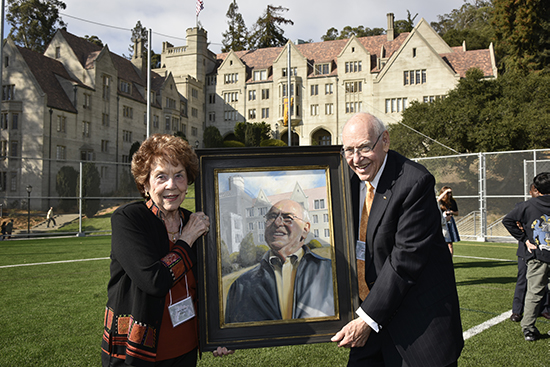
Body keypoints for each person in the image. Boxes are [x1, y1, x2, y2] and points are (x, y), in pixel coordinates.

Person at [331, 112, 463, 366]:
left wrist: (367, 319)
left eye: (364, 148)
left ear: (385, 141)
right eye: (348, 150)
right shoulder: (342, 180)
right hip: (369, 320)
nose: (356, 159)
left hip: (416, 327)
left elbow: (405, 261)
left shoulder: (414, 182)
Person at [101, 134, 231, 366]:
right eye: (161, 177)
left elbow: (210, 286)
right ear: (145, 183)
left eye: (179, 175)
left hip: (186, 349)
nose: (171, 185)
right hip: (136, 354)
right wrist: (187, 238)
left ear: (188, 181)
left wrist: (217, 334)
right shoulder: (129, 219)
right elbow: (155, 280)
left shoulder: (195, 221)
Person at [225, 199, 334, 323]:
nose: (277, 223)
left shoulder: (331, 273)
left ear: (305, 228)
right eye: (271, 217)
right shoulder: (241, 285)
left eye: (287, 217)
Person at [503, 172, 550, 341]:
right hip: (540, 254)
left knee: (534, 292)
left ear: (536, 189)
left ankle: (528, 329)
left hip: (538, 255)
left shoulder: (527, 205)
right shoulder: (527, 205)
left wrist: (525, 240)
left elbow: (507, 220)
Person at [510, 183, 550, 323]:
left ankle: (544, 308)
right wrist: (522, 232)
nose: (537, 193)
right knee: (523, 279)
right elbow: (511, 221)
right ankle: (517, 310)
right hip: (526, 250)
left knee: (543, 281)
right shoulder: (524, 206)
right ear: (532, 191)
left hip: (543, 251)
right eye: (534, 191)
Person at [437, 186, 460, 255]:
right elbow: (438, 200)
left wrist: (451, 212)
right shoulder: (440, 202)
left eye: (450, 193)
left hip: (450, 222)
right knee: (440, 243)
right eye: (448, 193)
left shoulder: (452, 201)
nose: (449, 194)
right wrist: (445, 192)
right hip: (442, 222)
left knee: (450, 244)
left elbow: (457, 213)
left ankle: (450, 261)